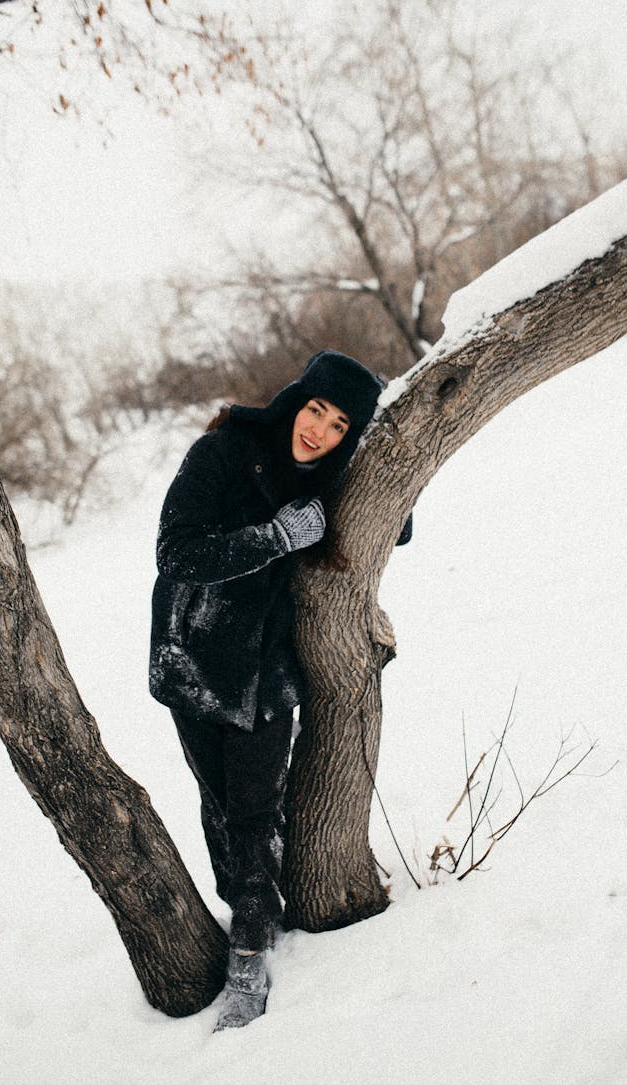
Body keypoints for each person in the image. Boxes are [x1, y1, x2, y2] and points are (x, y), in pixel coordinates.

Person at [148, 350, 411, 1031]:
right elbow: (176, 552)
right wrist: (272, 536)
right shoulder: (223, 450)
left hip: (267, 668)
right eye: (315, 409)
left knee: (254, 812)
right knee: (221, 804)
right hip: (198, 659)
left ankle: (248, 953)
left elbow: (397, 521)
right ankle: (245, 899)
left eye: (338, 424)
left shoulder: (330, 475)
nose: (318, 430)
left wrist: (377, 463)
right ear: (297, 399)